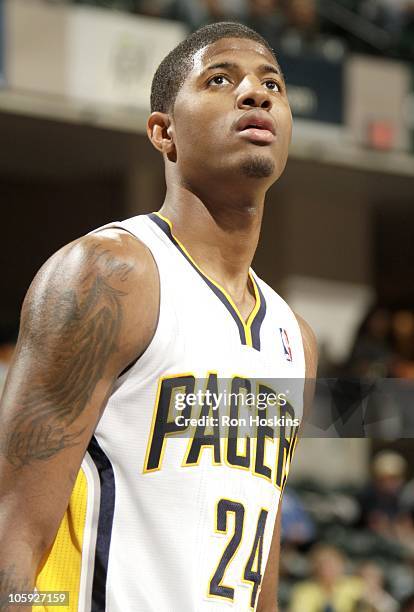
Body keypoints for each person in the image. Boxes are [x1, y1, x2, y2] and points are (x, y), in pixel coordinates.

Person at [0, 21, 318, 612]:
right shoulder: (110, 274)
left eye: (271, 83)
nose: (255, 93)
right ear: (163, 131)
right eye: (220, 79)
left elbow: (260, 568)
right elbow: (10, 529)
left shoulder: (294, 339)